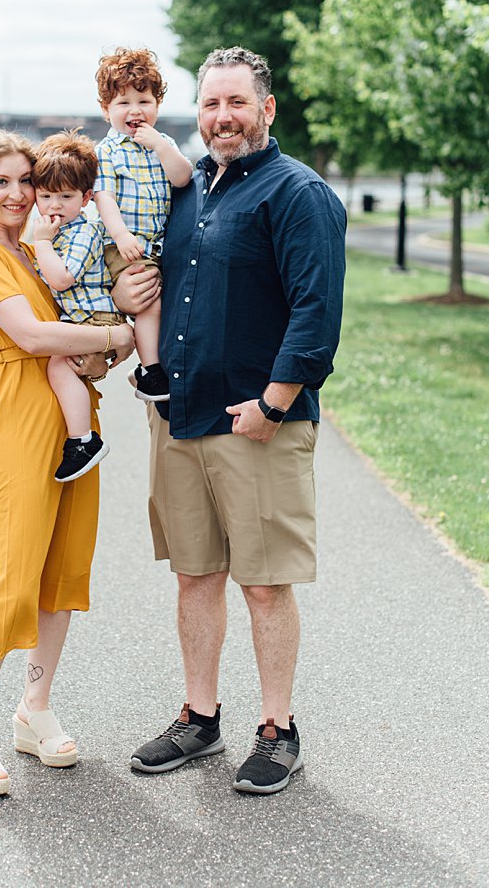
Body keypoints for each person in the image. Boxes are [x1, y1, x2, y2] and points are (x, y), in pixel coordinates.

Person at [126, 47, 346, 796]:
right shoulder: (187, 190)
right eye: (211, 104)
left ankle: (279, 730)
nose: (222, 118)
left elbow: (317, 314)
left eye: (237, 104)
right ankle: (200, 716)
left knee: (263, 583)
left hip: (258, 424)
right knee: (195, 574)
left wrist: (275, 402)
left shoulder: (298, 194)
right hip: (180, 417)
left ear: (266, 110)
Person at [0, 130, 136, 797]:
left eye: (26, 180)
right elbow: (30, 336)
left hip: (71, 408)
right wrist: (122, 334)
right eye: (2, 181)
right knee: (14, 569)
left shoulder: (33, 247)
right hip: (11, 413)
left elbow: (78, 314)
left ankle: (36, 705)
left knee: (63, 566)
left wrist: (109, 348)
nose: (19, 192)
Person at [91, 46, 193, 402]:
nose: (134, 110)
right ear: (107, 111)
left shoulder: (164, 143)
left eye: (144, 101)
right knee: (150, 302)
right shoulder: (107, 151)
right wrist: (120, 236)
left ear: (157, 106)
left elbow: (182, 178)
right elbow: (103, 196)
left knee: (168, 302)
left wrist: (161, 148)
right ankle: (151, 371)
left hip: (160, 244)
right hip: (124, 244)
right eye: (123, 103)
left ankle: (157, 362)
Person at [31, 130, 119, 482]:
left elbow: (62, 279)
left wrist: (40, 243)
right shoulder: (59, 233)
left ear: (85, 198)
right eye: (46, 196)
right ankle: (81, 437)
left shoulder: (83, 233)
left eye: (65, 197)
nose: (54, 206)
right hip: (80, 319)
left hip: (94, 319)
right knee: (62, 369)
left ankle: (83, 441)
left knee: (59, 368)